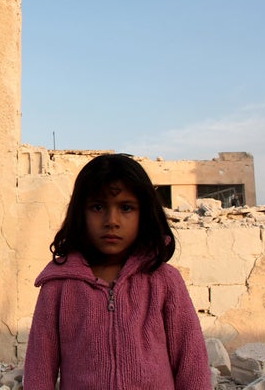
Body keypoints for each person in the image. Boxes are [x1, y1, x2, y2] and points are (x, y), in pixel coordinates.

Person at [23, 153, 211, 389]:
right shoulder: (58, 286)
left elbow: (192, 364)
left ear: (144, 214)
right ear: (80, 213)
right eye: (98, 207)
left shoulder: (164, 281)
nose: (111, 220)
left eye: (126, 207)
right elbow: (39, 369)